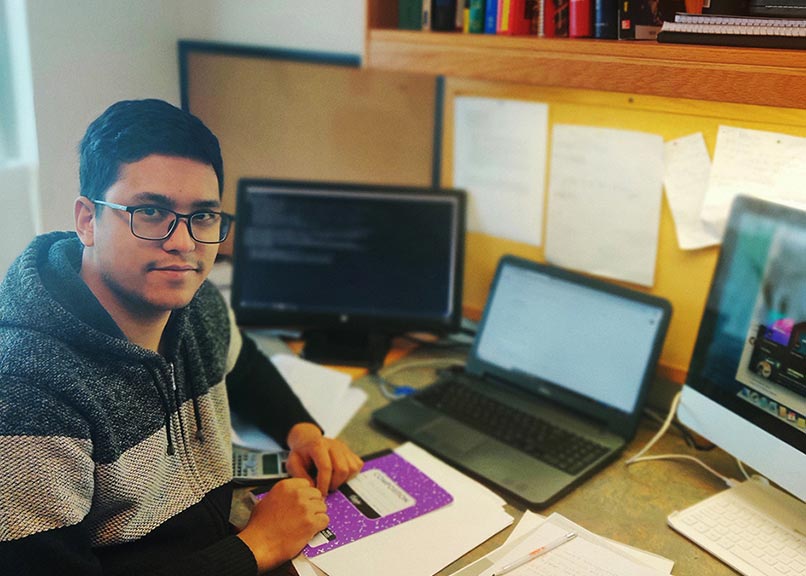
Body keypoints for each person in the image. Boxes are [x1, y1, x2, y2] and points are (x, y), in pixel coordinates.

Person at [0, 98, 364, 575]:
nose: (184, 243)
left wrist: (301, 431)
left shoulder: (196, 302)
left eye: (204, 216)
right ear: (88, 220)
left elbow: (243, 362)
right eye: (151, 211)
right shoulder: (25, 394)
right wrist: (256, 546)